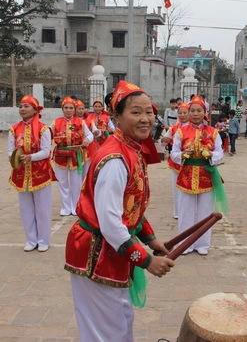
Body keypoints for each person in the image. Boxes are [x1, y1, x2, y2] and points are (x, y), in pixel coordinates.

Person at [64, 80, 174, 341]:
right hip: (96, 251)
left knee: (120, 320)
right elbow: (111, 222)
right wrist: (147, 261)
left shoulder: (131, 149)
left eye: (149, 112)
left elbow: (131, 205)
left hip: (111, 249)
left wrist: (150, 239)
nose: (145, 119)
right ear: (116, 116)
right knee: (105, 329)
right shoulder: (115, 159)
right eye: (136, 112)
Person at [171, 96, 227, 255]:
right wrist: (183, 155)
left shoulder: (213, 132)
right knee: (185, 211)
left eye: (199, 110)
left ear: (205, 112)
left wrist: (209, 155)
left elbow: (220, 154)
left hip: (206, 176)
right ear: (188, 113)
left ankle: (203, 244)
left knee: (205, 212)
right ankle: (185, 243)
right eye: (192, 111)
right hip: (186, 175)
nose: (195, 114)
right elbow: (173, 154)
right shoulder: (181, 132)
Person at [8, 95, 55, 252]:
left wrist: (30, 157)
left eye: (26, 106)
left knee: (42, 209)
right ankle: (30, 239)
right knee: (26, 209)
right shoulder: (13, 129)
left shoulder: (43, 129)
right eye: (20, 106)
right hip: (21, 174)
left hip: (40, 173)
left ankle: (43, 240)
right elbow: (10, 152)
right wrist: (15, 158)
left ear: (35, 110)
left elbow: (46, 152)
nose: (22, 109)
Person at [52, 96, 93, 216]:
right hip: (60, 155)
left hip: (76, 155)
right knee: (62, 182)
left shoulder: (81, 122)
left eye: (71, 108)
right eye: (66, 108)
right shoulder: (56, 122)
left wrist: (87, 140)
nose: (68, 110)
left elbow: (90, 135)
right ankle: (65, 207)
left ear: (74, 109)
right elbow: (48, 135)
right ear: (62, 108)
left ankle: (75, 206)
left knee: (76, 183)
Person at [161, 102, 190, 220]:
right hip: (176, 161)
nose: (182, 115)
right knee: (176, 187)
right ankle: (177, 212)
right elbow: (163, 141)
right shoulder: (173, 128)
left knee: (188, 186)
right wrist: (165, 139)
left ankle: (188, 210)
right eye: (180, 113)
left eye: (185, 112)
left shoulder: (193, 128)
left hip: (189, 162)